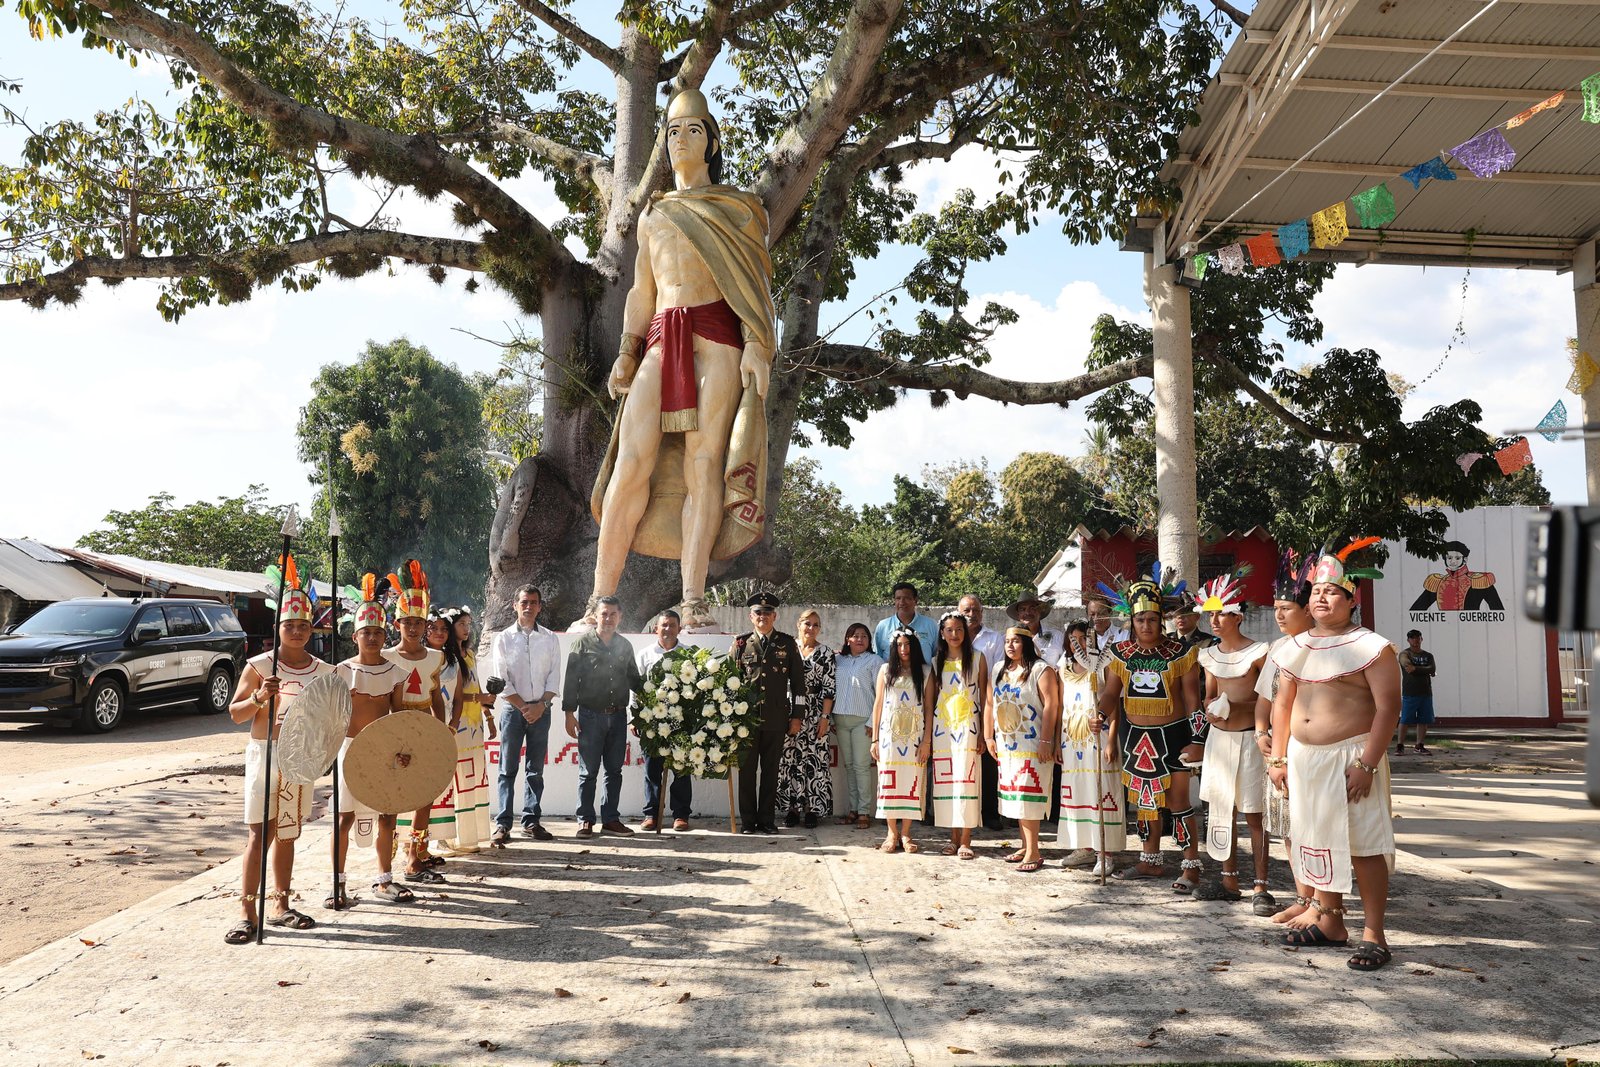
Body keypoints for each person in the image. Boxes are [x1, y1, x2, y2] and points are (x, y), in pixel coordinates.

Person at [589, 89, 777, 628]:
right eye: (671, 131)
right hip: (658, 341)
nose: (679, 139)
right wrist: (626, 353)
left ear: (712, 140)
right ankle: (599, 602)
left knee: (704, 466)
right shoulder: (654, 214)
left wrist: (758, 344)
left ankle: (694, 600)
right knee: (630, 465)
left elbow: (754, 289)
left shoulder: (737, 210)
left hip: (716, 340)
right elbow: (640, 292)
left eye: (691, 129)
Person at [1268, 537, 1399, 973]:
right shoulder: (1293, 647)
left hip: (1352, 757)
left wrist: (1367, 763)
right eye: (1317, 591)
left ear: (1351, 598)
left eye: (1332, 592)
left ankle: (1374, 934)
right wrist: (1279, 758)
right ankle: (1331, 923)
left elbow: (1388, 708)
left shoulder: (1372, 647)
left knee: (1362, 845)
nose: (1322, 598)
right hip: (1304, 759)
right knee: (1315, 838)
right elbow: (1283, 705)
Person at [225, 565, 333, 943]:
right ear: (279, 626)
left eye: (304, 626)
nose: (298, 631)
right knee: (259, 834)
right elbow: (236, 715)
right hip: (264, 753)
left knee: (287, 832)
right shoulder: (258, 666)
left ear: (311, 629)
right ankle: (246, 912)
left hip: (300, 757)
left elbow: (332, 720)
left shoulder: (325, 671)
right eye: (290, 625)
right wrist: (259, 697)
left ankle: (281, 905)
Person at [1095, 569, 1205, 891]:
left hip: (1173, 736)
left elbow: (1192, 701)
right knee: (1145, 802)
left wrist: (1197, 741)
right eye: (1140, 619)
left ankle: (1190, 866)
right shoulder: (1121, 655)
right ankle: (1150, 860)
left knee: (1178, 802)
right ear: (1132, 621)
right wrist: (1100, 713)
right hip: (1136, 738)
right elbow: (1111, 694)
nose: (1146, 625)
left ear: (1162, 621)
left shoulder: (1182, 654)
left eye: (1152, 620)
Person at [329, 575, 412, 908]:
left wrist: (403, 749)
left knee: (387, 816)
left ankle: (384, 880)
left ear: (385, 634)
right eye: (367, 632)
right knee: (344, 817)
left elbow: (399, 714)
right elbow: (330, 717)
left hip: (384, 750)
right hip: (349, 750)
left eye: (379, 632)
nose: (373, 637)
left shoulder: (394, 672)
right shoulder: (341, 671)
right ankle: (337, 884)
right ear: (355, 636)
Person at [1192, 570, 1271, 905]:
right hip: (1220, 740)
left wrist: (1240, 707)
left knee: (1254, 814)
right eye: (1210, 614)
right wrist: (1212, 707)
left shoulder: (1260, 653)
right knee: (1222, 810)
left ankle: (1261, 886)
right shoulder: (1208, 655)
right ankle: (1228, 880)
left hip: (1250, 739)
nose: (1214, 620)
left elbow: (1270, 699)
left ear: (1237, 616)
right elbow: (1210, 695)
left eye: (1221, 613)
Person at [1254, 549, 1316, 921]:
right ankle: (1302, 897)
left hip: (1311, 747)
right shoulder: (1277, 648)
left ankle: (1321, 901)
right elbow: (1264, 698)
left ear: (1307, 610)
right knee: (1289, 825)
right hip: (1279, 749)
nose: (1278, 615)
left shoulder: (1321, 646)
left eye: (1286, 609)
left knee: (1313, 823)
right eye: (1275, 608)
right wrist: (1261, 733)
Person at [386, 561, 451, 883]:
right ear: (397, 623)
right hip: (394, 730)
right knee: (398, 792)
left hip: (425, 726)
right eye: (407, 622)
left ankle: (417, 852)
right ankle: (398, 855)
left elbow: (436, 694)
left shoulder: (436, 657)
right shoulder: (386, 658)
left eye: (418, 622)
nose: (413, 628)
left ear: (426, 624)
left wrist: (444, 727)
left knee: (425, 792)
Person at [563, 595, 645, 838]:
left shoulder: (625, 646)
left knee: (614, 771)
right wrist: (569, 713)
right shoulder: (582, 644)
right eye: (604, 614)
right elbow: (570, 682)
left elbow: (635, 680)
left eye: (613, 614)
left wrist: (660, 688)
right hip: (589, 716)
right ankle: (585, 820)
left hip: (618, 717)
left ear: (620, 617)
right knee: (588, 772)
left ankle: (610, 819)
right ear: (595, 616)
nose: (608, 618)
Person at [733, 591, 808, 833]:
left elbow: (799, 684)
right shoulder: (740, 644)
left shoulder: (787, 644)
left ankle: (766, 820)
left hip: (776, 719)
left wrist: (797, 716)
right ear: (750, 616)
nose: (762, 616)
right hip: (746, 720)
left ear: (774, 616)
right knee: (746, 773)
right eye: (758, 613)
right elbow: (729, 683)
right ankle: (747, 821)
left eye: (767, 612)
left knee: (770, 772)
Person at [491, 584, 561, 844]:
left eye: (533, 602)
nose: (529, 607)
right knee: (507, 769)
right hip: (513, 710)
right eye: (524, 602)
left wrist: (540, 705)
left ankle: (531, 822)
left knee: (535, 769)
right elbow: (501, 679)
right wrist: (524, 707)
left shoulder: (550, 638)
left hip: (542, 710)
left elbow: (554, 677)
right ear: (515, 605)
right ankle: (503, 825)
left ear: (540, 606)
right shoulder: (504, 638)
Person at [988, 627, 1059, 872]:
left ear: (1026, 643)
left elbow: (1052, 705)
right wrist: (989, 736)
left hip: (1032, 743)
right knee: (1015, 797)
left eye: (1016, 641)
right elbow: (991, 702)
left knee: (1028, 798)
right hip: (1007, 745)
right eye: (1007, 641)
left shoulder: (1041, 669)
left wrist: (1047, 740)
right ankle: (1025, 844)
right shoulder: (998, 669)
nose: (1010, 646)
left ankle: (1034, 851)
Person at [1057, 621, 1124, 877]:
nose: (1079, 645)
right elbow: (1063, 707)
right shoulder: (1062, 669)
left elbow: (1114, 705)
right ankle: (1084, 847)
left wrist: (1111, 740)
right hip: (1072, 741)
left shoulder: (1104, 668)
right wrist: (1055, 741)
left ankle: (1104, 852)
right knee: (1079, 792)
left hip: (1099, 738)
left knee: (1102, 791)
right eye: (1073, 640)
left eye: (1083, 639)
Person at [927, 611, 987, 859]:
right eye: (949, 630)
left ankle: (965, 839)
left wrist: (984, 733)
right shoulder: (935, 662)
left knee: (967, 782)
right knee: (948, 784)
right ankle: (952, 838)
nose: (954, 634)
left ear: (966, 632)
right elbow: (930, 703)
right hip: (943, 731)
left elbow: (985, 698)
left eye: (959, 630)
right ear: (942, 633)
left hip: (969, 728)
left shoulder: (978, 658)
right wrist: (928, 736)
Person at [871, 627, 931, 852]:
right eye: (899, 645)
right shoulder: (886, 670)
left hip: (914, 737)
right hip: (889, 738)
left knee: (911, 782)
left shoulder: (925, 672)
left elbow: (928, 708)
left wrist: (926, 741)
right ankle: (891, 832)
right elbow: (878, 705)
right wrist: (875, 739)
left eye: (908, 645)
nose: (904, 649)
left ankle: (906, 833)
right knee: (889, 782)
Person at [778, 609, 836, 828]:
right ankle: (792, 809)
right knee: (789, 759)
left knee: (814, 760)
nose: (811, 628)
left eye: (816, 625)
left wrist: (824, 718)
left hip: (814, 712)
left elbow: (829, 688)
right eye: (807, 623)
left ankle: (812, 809)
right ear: (798, 624)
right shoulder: (786, 649)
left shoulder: (826, 653)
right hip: (788, 710)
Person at [639, 609, 693, 831]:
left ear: (679, 629)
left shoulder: (689, 654)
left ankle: (680, 816)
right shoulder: (645, 655)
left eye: (672, 625)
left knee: (681, 768)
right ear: (656, 629)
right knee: (652, 770)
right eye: (664, 625)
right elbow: (636, 688)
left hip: (681, 722)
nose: (668, 629)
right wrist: (636, 719)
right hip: (651, 722)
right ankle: (651, 814)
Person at [449, 605, 496, 853]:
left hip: (475, 723)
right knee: (456, 778)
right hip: (457, 723)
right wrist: (480, 700)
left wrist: (488, 715)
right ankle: (450, 836)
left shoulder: (469, 654)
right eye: (461, 624)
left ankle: (469, 836)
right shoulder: (446, 658)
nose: (466, 629)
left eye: (468, 624)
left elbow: (476, 689)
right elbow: (453, 697)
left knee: (473, 777)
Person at [833, 623, 879, 828]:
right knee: (849, 767)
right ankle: (852, 809)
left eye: (864, 636)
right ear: (847, 639)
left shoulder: (875, 661)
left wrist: (873, 722)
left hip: (863, 721)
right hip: (840, 721)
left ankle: (864, 812)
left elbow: (881, 694)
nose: (859, 639)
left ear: (869, 641)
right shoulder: (837, 660)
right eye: (855, 635)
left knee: (861, 767)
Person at [873, 582, 938, 663]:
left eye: (907, 598)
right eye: (898, 598)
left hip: (923, 675)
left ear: (916, 600)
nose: (902, 602)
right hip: (891, 675)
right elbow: (876, 658)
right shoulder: (883, 627)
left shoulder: (931, 625)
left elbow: (937, 656)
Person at [1396, 630, 1437, 755]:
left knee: (1423, 720)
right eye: (1412, 638)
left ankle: (1419, 745)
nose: (1415, 640)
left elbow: (1432, 668)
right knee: (1405, 720)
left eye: (1417, 638)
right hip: (1410, 693)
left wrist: (1417, 669)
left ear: (1421, 639)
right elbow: (1408, 667)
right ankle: (1400, 745)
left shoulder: (1428, 655)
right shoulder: (1404, 654)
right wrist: (1425, 670)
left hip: (1426, 692)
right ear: (1408, 640)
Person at [1005, 593, 1063, 666]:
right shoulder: (1009, 640)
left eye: (1032, 608)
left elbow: (1066, 665)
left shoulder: (1057, 636)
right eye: (1023, 609)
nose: (1027, 613)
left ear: (1040, 611)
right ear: (1018, 614)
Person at [958, 594, 1005, 676]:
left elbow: (999, 670)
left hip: (987, 688)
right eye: (967, 610)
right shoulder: (952, 638)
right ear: (958, 613)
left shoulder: (995, 638)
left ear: (981, 612)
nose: (972, 614)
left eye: (976, 610)